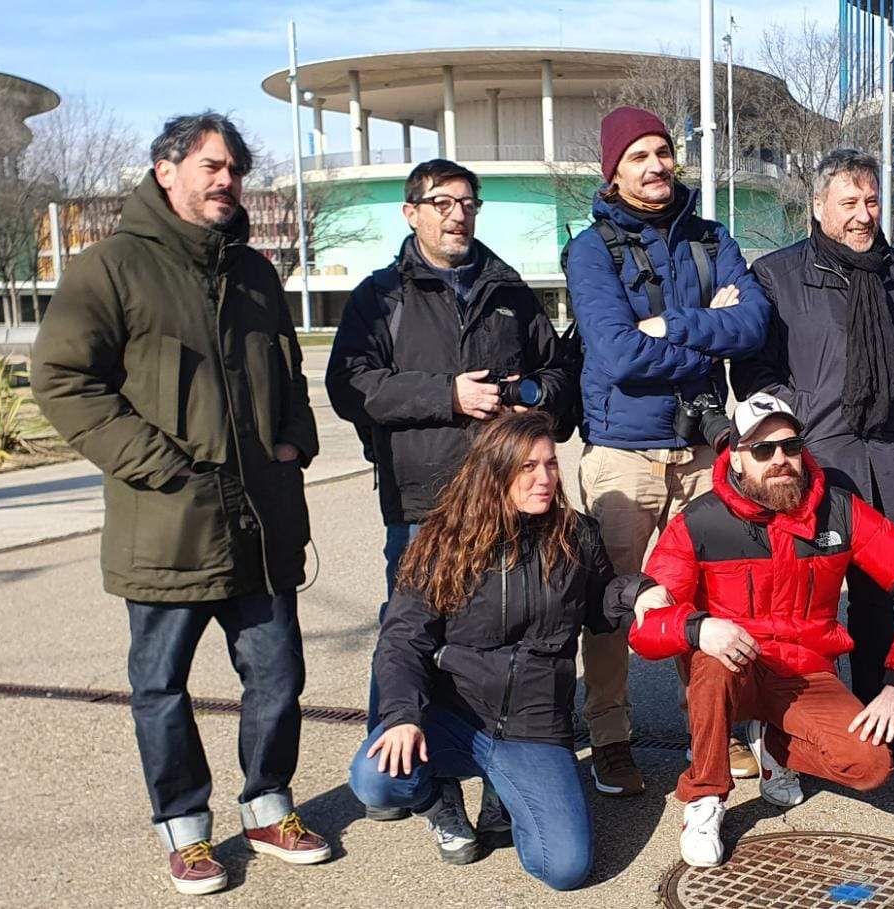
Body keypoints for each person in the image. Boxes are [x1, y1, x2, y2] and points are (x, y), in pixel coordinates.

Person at [31, 112, 330, 895]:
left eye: (235, 167)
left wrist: (295, 439)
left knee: (277, 677)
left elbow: (290, 377)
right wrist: (154, 464)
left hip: (261, 520)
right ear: (167, 170)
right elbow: (63, 379)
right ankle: (186, 829)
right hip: (166, 522)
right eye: (212, 165)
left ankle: (268, 804)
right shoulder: (111, 268)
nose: (227, 178)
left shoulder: (258, 272)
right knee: (161, 687)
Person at [326, 158, 575, 842]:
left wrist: (528, 394)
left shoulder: (507, 291)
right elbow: (350, 385)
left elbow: (559, 378)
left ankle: (504, 775)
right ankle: (417, 778)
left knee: (504, 631)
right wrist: (446, 395)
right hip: (422, 503)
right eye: (441, 202)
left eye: (468, 202)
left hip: (504, 501)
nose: (456, 214)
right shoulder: (382, 296)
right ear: (412, 212)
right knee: (409, 633)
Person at [621, 392, 894, 867]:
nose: (780, 459)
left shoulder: (840, 510)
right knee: (709, 663)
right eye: (762, 449)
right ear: (735, 457)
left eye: (790, 446)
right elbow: (647, 629)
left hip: (806, 674)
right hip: (733, 664)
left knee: (872, 765)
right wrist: (696, 627)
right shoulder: (700, 520)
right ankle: (706, 795)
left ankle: (773, 744)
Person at [349, 411, 647, 890]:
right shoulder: (442, 539)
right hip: (456, 716)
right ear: (494, 471)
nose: (545, 478)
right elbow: (403, 638)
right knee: (375, 776)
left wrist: (640, 593)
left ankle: (504, 790)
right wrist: (403, 715)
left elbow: (601, 605)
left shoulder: (577, 534)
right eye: (528, 467)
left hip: (534, 725)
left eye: (550, 464)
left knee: (564, 869)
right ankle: (437, 800)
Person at [564, 105, 770, 796]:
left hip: (697, 445)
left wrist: (676, 321)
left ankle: (713, 725)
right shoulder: (591, 249)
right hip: (622, 452)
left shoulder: (711, 237)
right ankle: (611, 734)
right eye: (638, 157)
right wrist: (712, 323)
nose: (655, 166)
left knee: (713, 593)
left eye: (662, 151)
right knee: (613, 600)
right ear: (613, 171)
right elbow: (618, 351)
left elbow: (753, 324)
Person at [732, 149, 894, 771]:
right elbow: (754, 371)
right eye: (848, 203)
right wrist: (794, 428)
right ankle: (800, 723)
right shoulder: (777, 275)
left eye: (871, 201)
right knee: (805, 600)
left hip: (886, 457)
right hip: (813, 461)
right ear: (818, 207)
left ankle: (882, 718)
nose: (862, 215)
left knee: (880, 597)